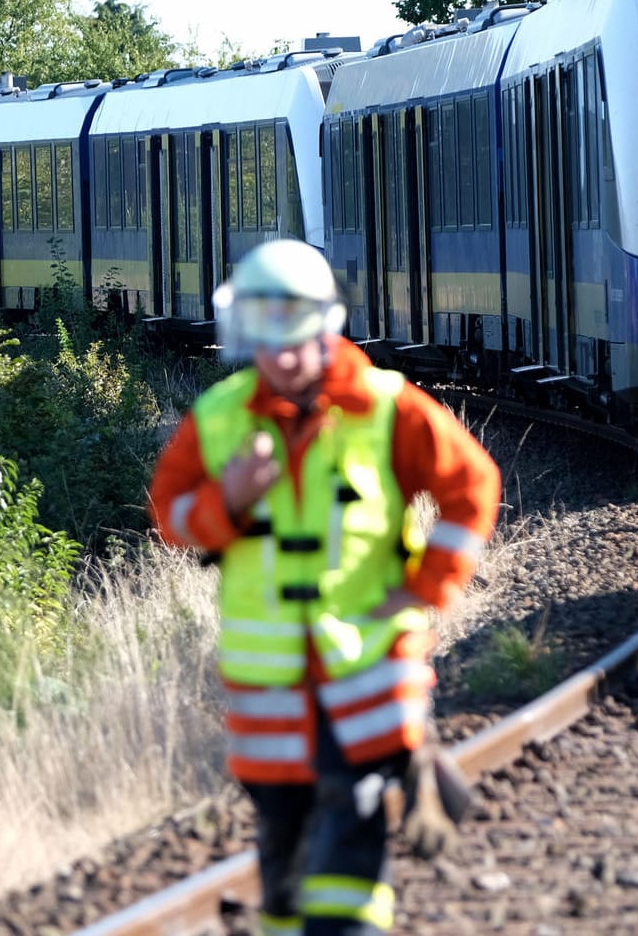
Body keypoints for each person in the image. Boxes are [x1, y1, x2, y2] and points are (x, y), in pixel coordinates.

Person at [149, 238, 500, 936]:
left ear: (325, 326)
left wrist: (428, 586)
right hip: (270, 687)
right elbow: (171, 519)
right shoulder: (220, 417)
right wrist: (231, 499)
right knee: (283, 852)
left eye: (295, 337)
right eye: (264, 339)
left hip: (367, 671)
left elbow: (472, 488)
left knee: (350, 835)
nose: (280, 357)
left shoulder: (386, 407)